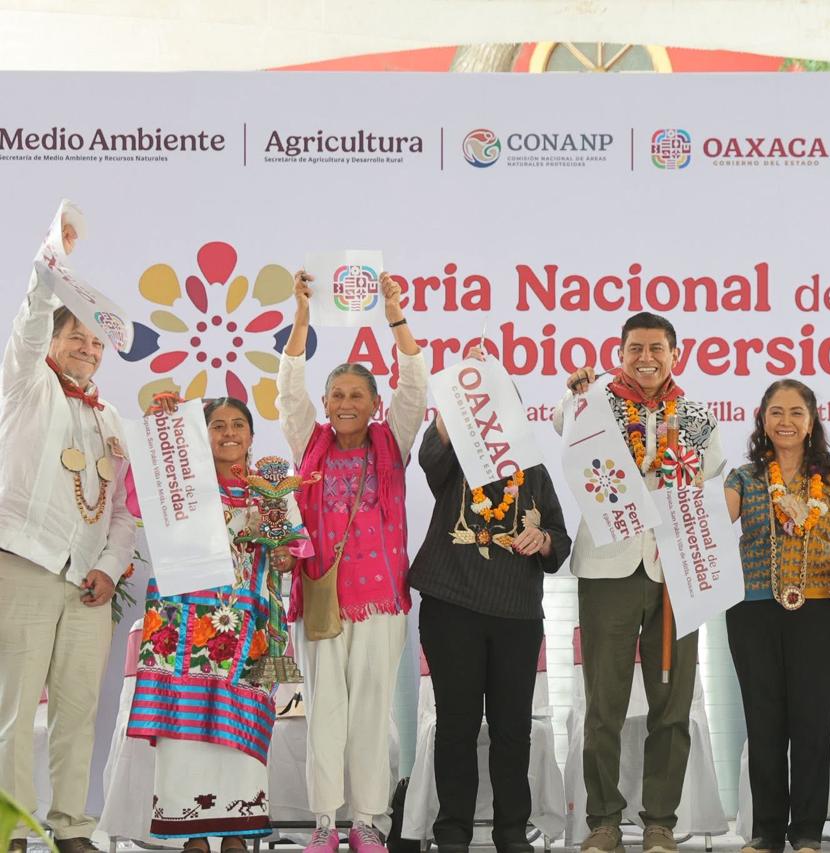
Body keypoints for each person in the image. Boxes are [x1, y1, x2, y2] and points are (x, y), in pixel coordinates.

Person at [552, 311, 725, 853]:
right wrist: (578, 392)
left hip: (678, 571)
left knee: (672, 703)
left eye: (656, 349)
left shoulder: (697, 417)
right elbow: (563, 422)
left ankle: (660, 823)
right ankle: (603, 821)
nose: (645, 358)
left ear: (675, 354)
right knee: (603, 702)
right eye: (635, 349)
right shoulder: (597, 403)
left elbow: (714, 480)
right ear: (619, 354)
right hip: (609, 567)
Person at [277, 269, 429, 853]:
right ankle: (323, 825)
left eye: (355, 395)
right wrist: (302, 317)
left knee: (370, 713)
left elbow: (414, 381)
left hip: (381, 605)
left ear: (374, 404)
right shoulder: (307, 443)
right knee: (325, 715)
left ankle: (366, 822)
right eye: (336, 394)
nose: (344, 403)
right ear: (326, 403)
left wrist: (394, 315)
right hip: (320, 601)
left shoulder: (392, 445)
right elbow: (287, 387)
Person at [0, 212, 135, 853]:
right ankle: (12, 827)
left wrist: (110, 565)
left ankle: (73, 828)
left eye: (96, 342)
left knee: (79, 711)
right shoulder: (25, 384)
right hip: (22, 563)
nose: (87, 347)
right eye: (76, 336)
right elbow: (29, 321)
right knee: (13, 711)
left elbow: (124, 513)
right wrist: (51, 263)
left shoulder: (111, 417)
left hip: (87, 581)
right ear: (53, 341)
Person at [125, 397, 311, 847]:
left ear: (251, 435)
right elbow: (135, 500)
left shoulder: (272, 488)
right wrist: (159, 428)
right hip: (183, 626)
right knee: (183, 727)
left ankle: (236, 833)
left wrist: (286, 556)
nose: (229, 433)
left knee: (239, 726)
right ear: (200, 434)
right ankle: (193, 836)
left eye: (239, 425)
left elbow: (297, 541)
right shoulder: (182, 486)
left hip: (250, 631)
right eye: (217, 425)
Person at [410, 346, 572, 853]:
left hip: (517, 618)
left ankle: (510, 831)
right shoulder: (453, 457)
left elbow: (560, 541)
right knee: (455, 727)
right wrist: (465, 383)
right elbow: (428, 454)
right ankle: (452, 830)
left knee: (512, 730)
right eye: (488, 409)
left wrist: (543, 539)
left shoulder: (536, 472)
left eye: (507, 408)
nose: (498, 419)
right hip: (451, 609)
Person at [724, 379, 830, 853]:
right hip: (752, 610)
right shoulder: (743, 477)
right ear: (762, 419)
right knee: (764, 722)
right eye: (776, 412)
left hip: (819, 610)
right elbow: (716, 525)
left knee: (812, 723)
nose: (785, 421)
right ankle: (766, 832)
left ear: (812, 420)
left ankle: (807, 834)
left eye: (796, 412)